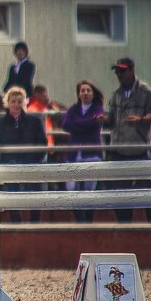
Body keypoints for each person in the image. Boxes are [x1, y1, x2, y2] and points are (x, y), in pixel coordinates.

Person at [97, 57, 151, 224]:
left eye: (123, 70)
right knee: (120, 194)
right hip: (118, 150)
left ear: (132, 70)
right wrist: (105, 119)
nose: (119, 74)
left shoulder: (146, 93)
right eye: (117, 71)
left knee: (149, 194)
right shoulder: (116, 95)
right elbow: (112, 120)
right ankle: (124, 226)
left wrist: (141, 119)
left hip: (139, 149)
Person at [0, 86, 47, 224]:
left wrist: (35, 159)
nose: (16, 105)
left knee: (34, 195)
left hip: (31, 163)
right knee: (12, 196)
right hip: (10, 163)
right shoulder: (0, 124)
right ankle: (16, 224)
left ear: (24, 103)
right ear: (7, 103)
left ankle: (35, 224)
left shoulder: (34, 121)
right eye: (13, 101)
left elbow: (42, 142)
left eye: (19, 101)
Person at [61, 80, 105, 224]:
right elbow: (65, 125)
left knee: (89, 191)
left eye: (88, 90)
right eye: (82, 91)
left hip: (91, 155)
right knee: (71, 189)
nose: (85, 93)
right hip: (74, 154)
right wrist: (86, 123)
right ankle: (79, 220)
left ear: (93, 93)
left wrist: (77, 124)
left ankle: (88, 221)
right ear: (78, 94)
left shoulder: (98, 108)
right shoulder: (73, 109)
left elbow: (95, 123)